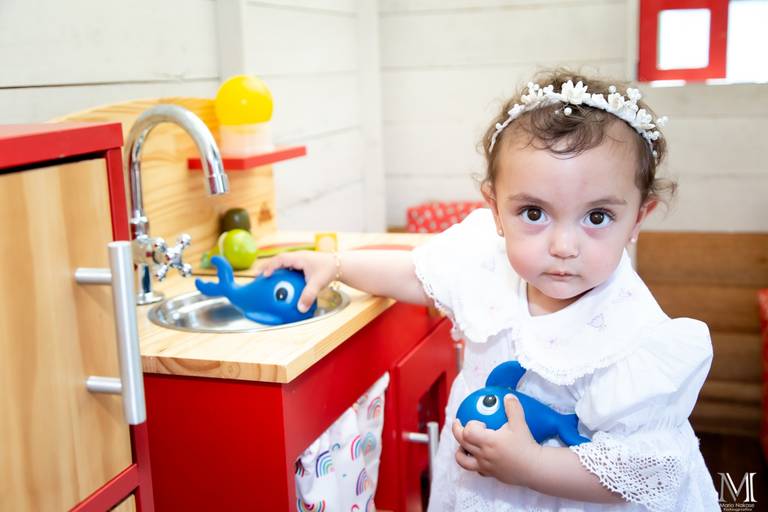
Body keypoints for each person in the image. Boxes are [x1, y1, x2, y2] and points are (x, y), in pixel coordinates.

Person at [259, 68, 720, 511]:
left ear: (637, 218)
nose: (563, 246)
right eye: (534, 213)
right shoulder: (484, 260)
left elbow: (641, 471)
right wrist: (337, 265)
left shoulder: (635, 337)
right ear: (496, 209)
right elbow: (412, 274)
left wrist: (533, 465)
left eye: (597, 217)